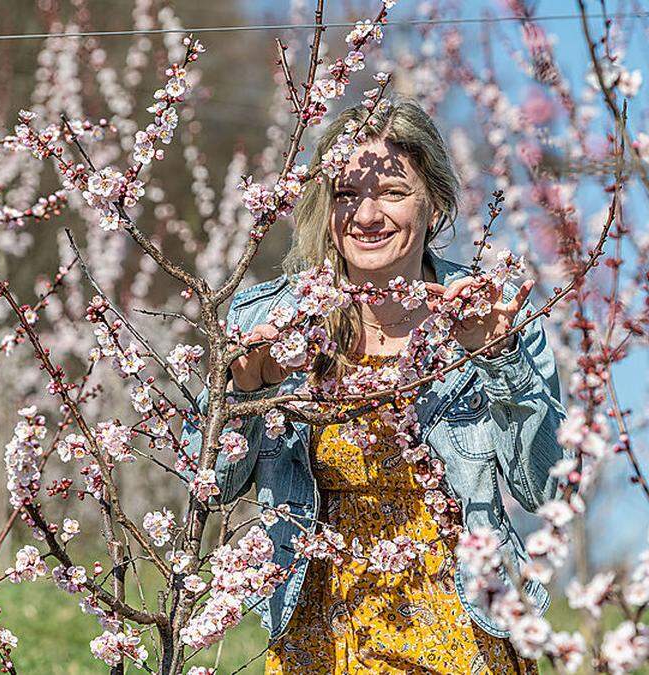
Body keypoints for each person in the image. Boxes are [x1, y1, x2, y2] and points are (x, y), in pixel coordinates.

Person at [184, 98, 568, 673]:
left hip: (459, 619)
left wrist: (499, 358)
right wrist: (245, 393)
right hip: (319, 622)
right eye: (346, 195)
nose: (365, 215)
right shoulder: (268, 318)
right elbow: (208, 486)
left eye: (391, 192)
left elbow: (544, 489)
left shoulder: (493, 313)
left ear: (434, 201)